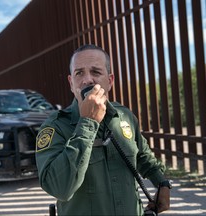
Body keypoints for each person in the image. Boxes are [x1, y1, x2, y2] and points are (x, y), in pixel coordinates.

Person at [35, 44, 171, 215]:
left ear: (110, 81)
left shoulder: (124, 116)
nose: (87, 80)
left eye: (96, 72)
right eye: (79, 73)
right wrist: (87, 122)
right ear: (71, 83)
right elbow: (59, 188)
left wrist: (162, 183)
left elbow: (143, 156)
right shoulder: (55, 126)